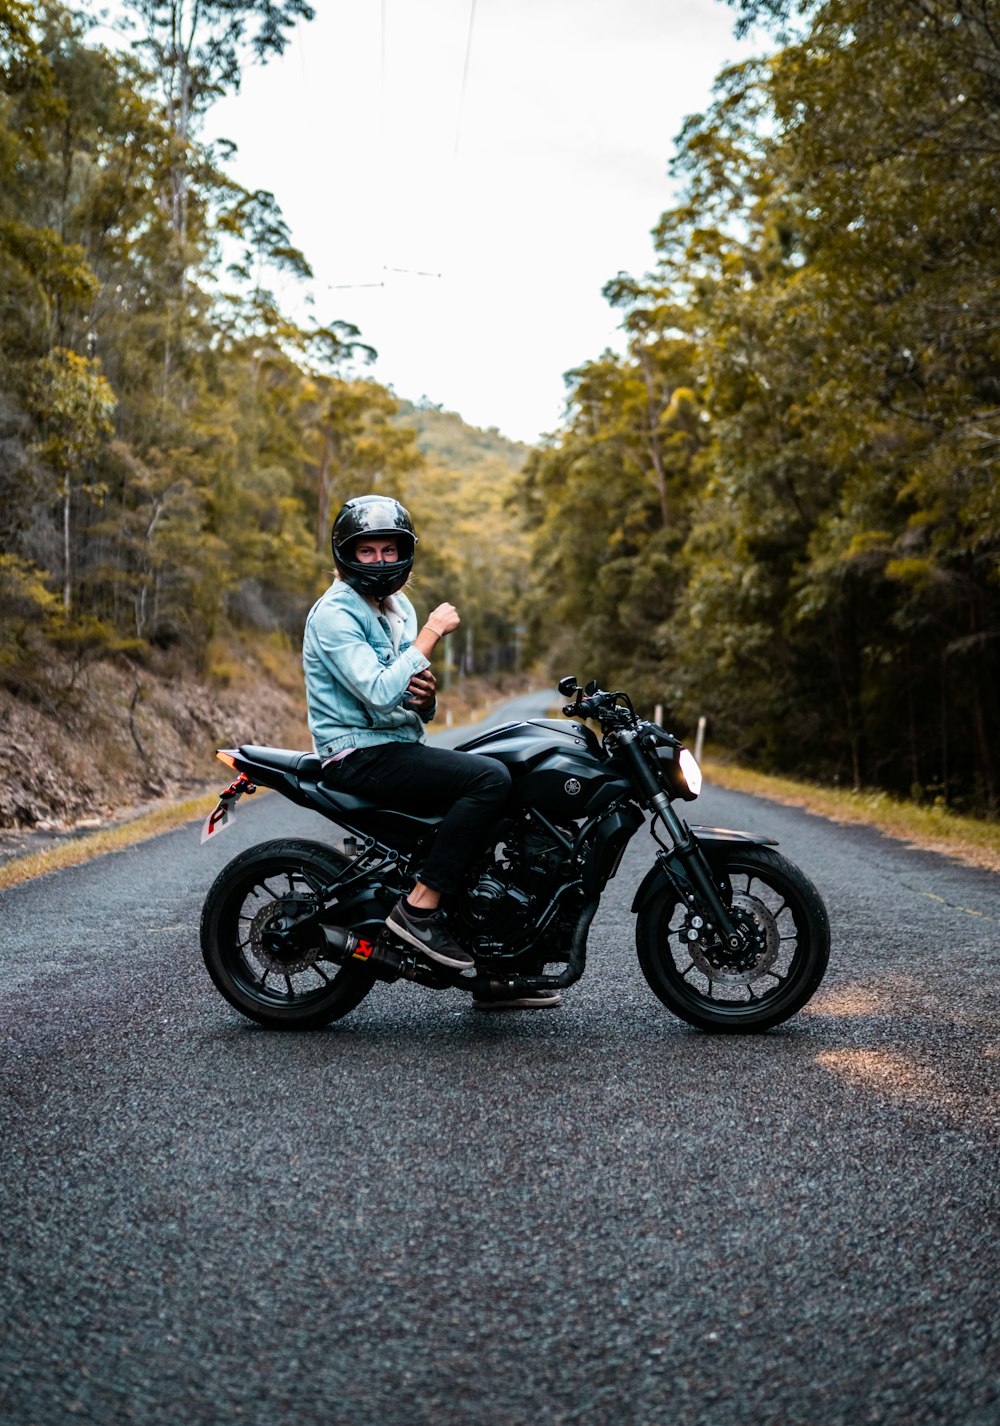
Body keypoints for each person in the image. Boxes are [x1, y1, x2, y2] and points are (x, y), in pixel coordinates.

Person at [302, 494, 561, 1010]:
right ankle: (419, 909)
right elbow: (376, 692)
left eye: (389, 550)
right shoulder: (334, 615)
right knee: (487, 780)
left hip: (396, 745)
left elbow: (405, 698)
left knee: (508, 781)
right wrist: (430, 635)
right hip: (356, 754)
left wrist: (428, 700)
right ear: (345, 555)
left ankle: (491, 969)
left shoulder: (397, 609)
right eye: (368, 551)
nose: (380, 560)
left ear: (405, 554)